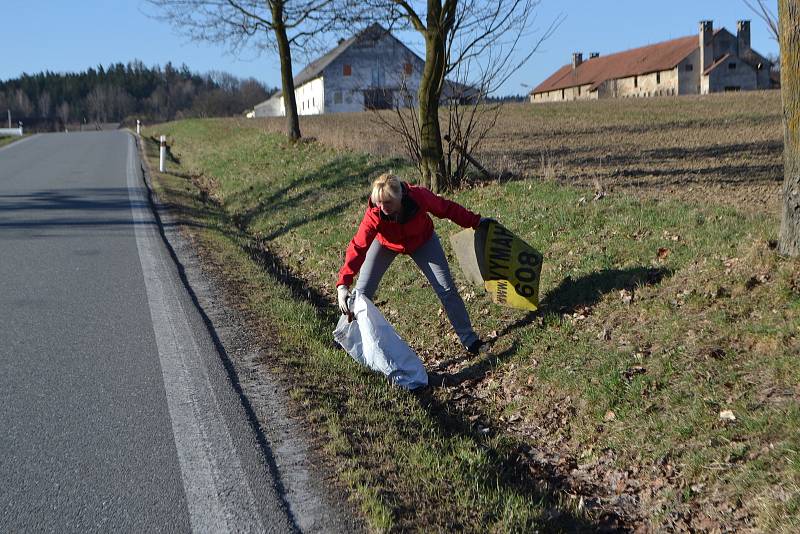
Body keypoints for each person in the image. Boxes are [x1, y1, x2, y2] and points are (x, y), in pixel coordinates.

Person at [336, 173, 486, 355]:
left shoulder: (419, 196)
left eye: (388, 203)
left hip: (422, 240)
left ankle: (469, 340)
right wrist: (343, 284)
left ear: (400, 197)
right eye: (378, 203)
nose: (383, 208)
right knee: (361, 294)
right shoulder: (374, 213)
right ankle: (343, 338)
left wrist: (476, 221)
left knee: (446, 289)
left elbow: (446, 208)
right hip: (386, 243)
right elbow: (358, 246)